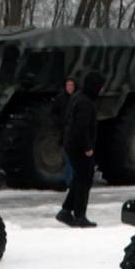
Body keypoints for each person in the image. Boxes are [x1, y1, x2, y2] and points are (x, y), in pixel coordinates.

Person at [57, 71, 103, 228]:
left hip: (72, 144)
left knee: (79, 178)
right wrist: (88, 147)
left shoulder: (78, 97)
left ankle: (66, 211)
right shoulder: (85, 103)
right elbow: (81, 127)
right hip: (80, 147)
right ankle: (80, 215)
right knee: (84, 179)